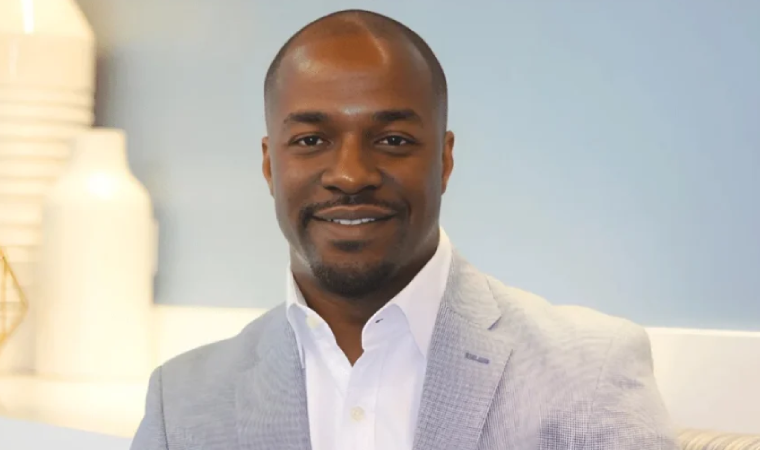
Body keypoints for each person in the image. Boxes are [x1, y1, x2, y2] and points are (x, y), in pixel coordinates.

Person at [131, 9, 679, 450]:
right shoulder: (181, 406)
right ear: (270, 164)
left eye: (392, 140)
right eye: (311, 140)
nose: (351, 175)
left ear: (444, 160)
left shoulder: (590, 373)